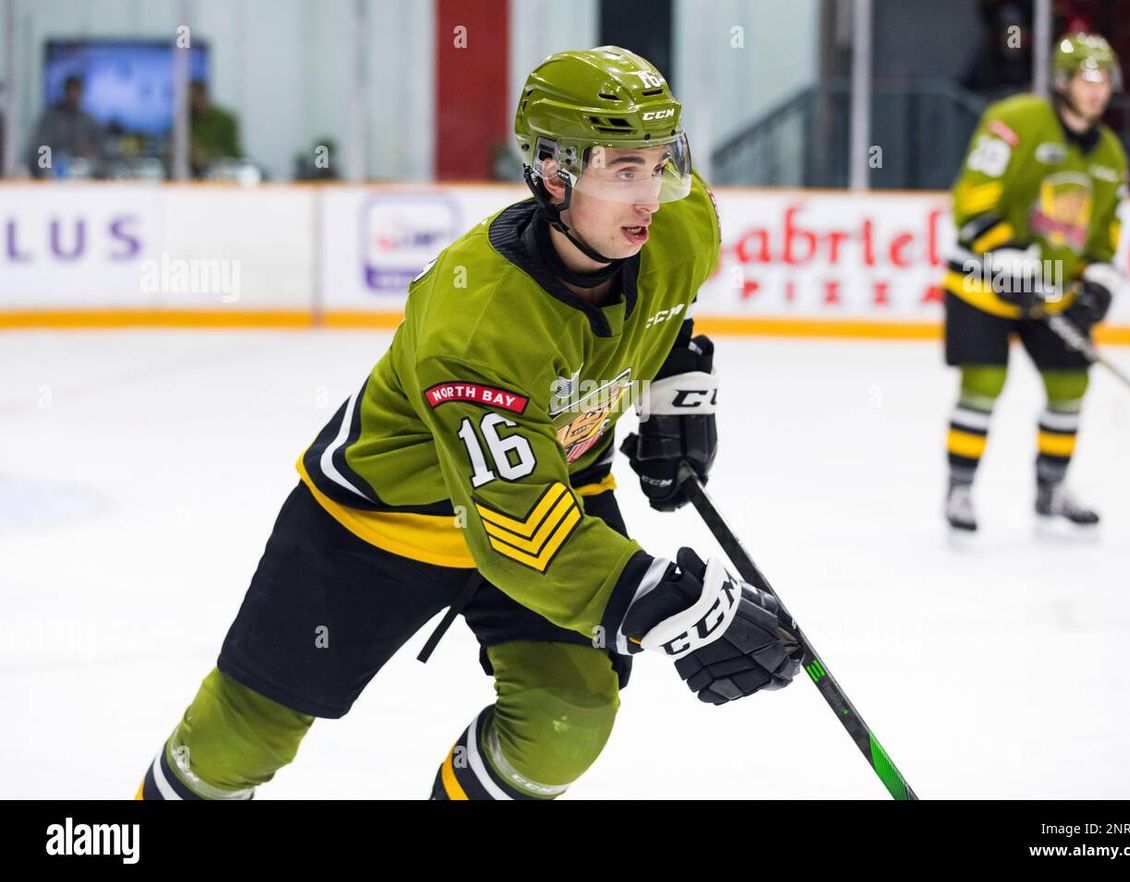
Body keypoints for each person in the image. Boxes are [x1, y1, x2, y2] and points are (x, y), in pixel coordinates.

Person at [136, 46, 803, 802]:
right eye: (624, 170)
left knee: (567, 719)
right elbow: (522, 537)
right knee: (238, 739)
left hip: (556, 493)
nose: (651, 195)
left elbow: (665, 315)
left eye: (661, 163)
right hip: (382, 528)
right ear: (553, 174)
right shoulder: (475, 323)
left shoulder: (680, 226)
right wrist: (685, 609)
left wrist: (672, 393)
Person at [941, 33, 1129, 533]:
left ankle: (1052, 487)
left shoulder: (1110, 154)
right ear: (1063, 82)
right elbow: (971, 200)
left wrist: (1099, 284)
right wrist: (1004, 257)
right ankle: (960, 490)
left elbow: (1104, 236)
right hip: (979, 284)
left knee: (1071, 383)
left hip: (1052, 291)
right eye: (1087, 79)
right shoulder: (1015, 121)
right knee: (983, 383)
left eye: (1104, 80)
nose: (1097, 90)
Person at [27, 74, 103, 178]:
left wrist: (90, 155)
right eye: (71, 91)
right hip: (53, 175)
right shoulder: (51, 118)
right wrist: (45, 172)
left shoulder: (88, 121)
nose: (74, 95)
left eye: (77, 92)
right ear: (65, 92)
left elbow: (101, 150)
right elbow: (42, 148)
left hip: (83, 176)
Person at [188, 80, 243, 177]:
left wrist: (207, 157)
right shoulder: (184, 122)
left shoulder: (224, 119)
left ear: (202, 95)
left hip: (224, 168)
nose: (189, 100)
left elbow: (232, 150)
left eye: (192, 96)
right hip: (194, 171)